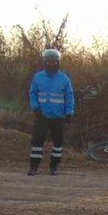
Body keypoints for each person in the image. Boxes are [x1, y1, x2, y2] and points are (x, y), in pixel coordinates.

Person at [27, 48, 74, 176]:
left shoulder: (64, 79)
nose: (51, 64)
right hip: (41, 115)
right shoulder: (38, 77)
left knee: (58, 143)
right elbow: (32, 93)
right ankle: (34, 167)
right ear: (44, 62)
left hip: (58, 116)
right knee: (37, 142)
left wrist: (69, 112)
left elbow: (69, 96)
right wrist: (35, 107)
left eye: (54, 62)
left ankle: (54, 167)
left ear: (58, 62)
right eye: (49, 62)